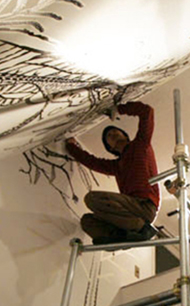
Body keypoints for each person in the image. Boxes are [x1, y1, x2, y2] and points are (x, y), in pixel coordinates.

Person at [65, 101, 160, 245]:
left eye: (115, 131)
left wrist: (118, 109)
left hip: (144, 205)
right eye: (109, 136)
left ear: (125, 135)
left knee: (92, 199)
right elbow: (91, 161)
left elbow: (147, 111)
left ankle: (141, 229)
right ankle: (120, 237)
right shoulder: (115, 166)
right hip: (128, 211)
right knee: (87, 221)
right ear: (110, 147)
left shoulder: (140, 144)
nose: (113, 134)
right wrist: (71, 146)